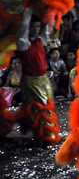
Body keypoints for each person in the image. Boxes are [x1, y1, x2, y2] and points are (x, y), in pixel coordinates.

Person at [15, 8, 60, 144]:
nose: (35, 29)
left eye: (37, 26)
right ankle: (46, 134)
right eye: (33, 26)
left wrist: (52, 6)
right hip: (30, 81)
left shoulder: (41, 40)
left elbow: (48, 25)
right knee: (42, 106)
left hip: (44, 79)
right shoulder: (23, 42)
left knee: (47, 103)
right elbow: (23, 27)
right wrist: (29, 7)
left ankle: (35, 127)